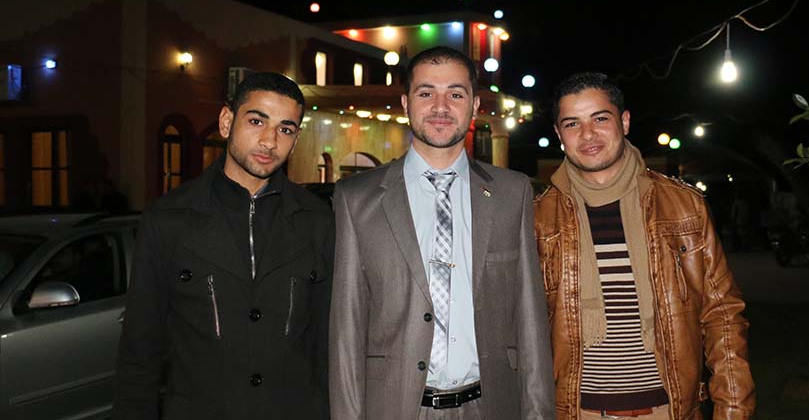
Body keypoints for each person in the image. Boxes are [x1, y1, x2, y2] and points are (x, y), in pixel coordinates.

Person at [329, 46, 555, 420]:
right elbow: (346, 329)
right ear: (405, 103)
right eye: (426, 93)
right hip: (395, 409)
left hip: (490, 407)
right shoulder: (357, 199)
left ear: (475, 105)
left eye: (455, 94)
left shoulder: (512, 192)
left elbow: (529, 318)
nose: (440, 107)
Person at [534, 72, 755, 420]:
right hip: (576, 413)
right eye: (572, 123)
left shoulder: (683, 206)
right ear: (559, 134)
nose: (587, 134)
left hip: (669, 411)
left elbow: (722, 315)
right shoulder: (538, 219)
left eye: (600, 119)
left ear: (624, 121)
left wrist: (733, 410)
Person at [114, 72, 334, 420]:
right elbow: (140, 348)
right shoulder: (169, 219)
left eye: (285, 129)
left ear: (296, 139)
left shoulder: (318, 221)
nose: (269, 141)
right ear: (226, 121)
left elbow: (327, 344)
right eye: (257, 121)